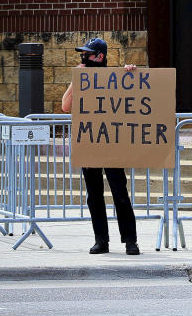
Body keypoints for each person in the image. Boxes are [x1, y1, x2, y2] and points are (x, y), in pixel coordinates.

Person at [61, 37, 140, 255]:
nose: (83, 57)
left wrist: (131, 74)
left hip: (111, 145)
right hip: (89, 144)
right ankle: (101, 240)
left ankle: (130, 240)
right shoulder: (82, 79)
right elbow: (65, 105)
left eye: (87, 54)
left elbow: (135, 95)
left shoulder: (115, 78)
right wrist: (76, 79)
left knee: (119, 193)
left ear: (99, 57)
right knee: (94, 195)